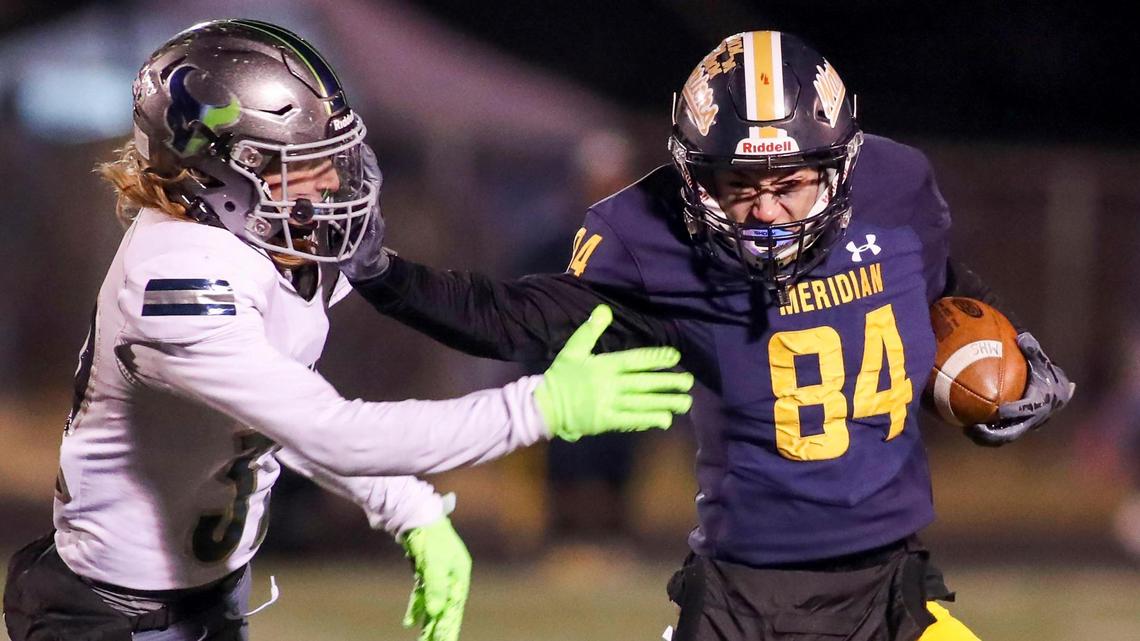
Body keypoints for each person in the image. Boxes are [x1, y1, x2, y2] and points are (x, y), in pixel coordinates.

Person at [341, 31, 1075, 641]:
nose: (765, 213)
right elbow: (514, 317)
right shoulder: (651, 239)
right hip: (743, 603)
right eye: (738, 187)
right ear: (693, 178)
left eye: (788, 184)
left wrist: (1006, 353)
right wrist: (385, 274)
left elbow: (943, 283)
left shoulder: (897, 187)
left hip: (894, 589)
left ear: (842, 166)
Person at [1, 19, 694, 641]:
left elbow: (273, 414)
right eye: (301, 165)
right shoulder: (175, 276)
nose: (332, 181)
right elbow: (332, 430)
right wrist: (536, 407)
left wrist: (405, 501)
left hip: (208, 596)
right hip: (106, 613)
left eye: (331, 156)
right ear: (217, 176)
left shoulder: (273, 249)